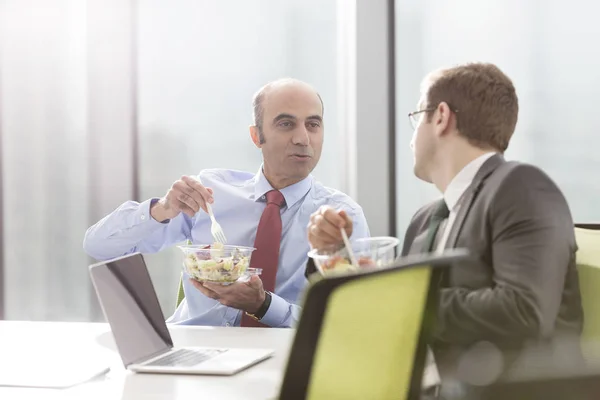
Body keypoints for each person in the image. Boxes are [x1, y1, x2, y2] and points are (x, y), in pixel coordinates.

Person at [306, 63, 583, 392]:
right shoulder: (425, 220)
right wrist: (331, 254)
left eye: (416, 117)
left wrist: (402, 300)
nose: (412, 138)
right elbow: (387, 321)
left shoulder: (522, 187)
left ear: (440, 117)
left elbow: (524, 311)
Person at [84, 78, 369, 328]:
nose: (302, 138)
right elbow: (99, 246)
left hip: (282, 357)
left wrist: (264, 306)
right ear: (257, 136)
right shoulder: (211, 194)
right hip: (194, 350)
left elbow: (351, 321)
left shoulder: (339, 218)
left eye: (313, 124)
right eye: (286, 124)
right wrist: (162, 210)